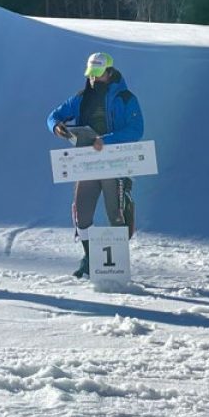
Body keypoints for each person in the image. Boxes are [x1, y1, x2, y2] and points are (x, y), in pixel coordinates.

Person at [47, 52, 144, 278]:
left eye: (98, 75)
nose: (93, 80)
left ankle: (114, 269)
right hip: (88, 163)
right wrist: (57, 126)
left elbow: (136, 129)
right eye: (91, 75)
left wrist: (105, 140)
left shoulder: (126, 98)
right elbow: (53, 115)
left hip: (115, 163)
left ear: (110, 73)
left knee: (116, 214)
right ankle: (91, 258)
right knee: (82, 214)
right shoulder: (81, 98)